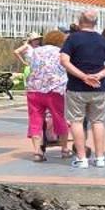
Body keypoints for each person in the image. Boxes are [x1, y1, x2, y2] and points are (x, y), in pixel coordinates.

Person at [60, 10, 105, 168]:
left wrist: (83, 76)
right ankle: (100, 158)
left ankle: (81, 158)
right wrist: (99, 75)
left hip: (76, 87)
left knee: (76, 121)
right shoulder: (102, 40)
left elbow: (64, 60)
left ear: (80, 21)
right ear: (95, 22)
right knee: (98, 122)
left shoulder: (73, 39)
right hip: (98, 88)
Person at [21, 31, 68, 162]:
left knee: (35, 119)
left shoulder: (36, 51)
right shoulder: (61, 52)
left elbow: (30, 64)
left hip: (34, 89)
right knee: (59, 117)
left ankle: (37, 152)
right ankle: (64, 149)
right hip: (54, 89)